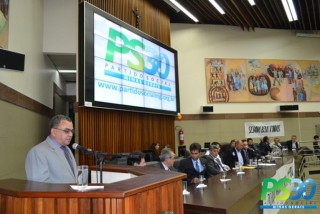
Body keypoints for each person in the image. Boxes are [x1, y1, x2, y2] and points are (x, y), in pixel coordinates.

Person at [25, 115, 77, 183]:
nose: (71, 134)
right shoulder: (38, 152)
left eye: (72, 131)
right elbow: (39, 187)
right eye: (66, 131)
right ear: (54, 132)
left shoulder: (67, 150)